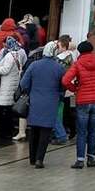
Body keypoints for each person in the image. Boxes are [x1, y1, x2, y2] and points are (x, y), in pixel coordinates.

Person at [59, 39, 95, 168]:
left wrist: (74, 89)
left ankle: (80, 160)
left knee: (82, 131)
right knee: (93, 131)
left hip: (82, 100)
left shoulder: (77, 64)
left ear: (80, 51)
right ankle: (92, 158)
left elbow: (65, 81)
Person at [18, 40, 66, 168]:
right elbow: (63, 86)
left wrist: (30, 91)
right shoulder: (59, 67)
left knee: (34, 129)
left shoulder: (34, 65)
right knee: (45, 131)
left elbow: (23, 84)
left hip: (35, 101)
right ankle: (40, 159)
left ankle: (32, 158)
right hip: (51, 102)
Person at [0, 32, 25, 139]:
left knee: (3, 110)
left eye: (6, 43)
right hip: (13, 85)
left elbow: (5, 70)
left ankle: (4, 131)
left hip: (6, 86)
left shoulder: (10, 56)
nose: (4, 45)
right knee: (8, 110)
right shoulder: (18, 55)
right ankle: (6, 130)